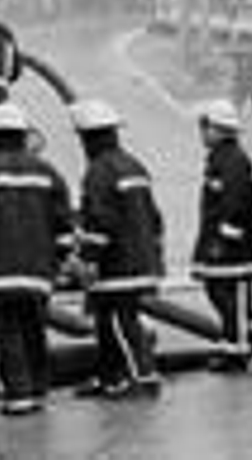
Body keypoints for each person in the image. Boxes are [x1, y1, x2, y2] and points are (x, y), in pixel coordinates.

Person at [0, 101, 75, 415]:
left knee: (5, 332)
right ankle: (38, 390)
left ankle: (18, 396)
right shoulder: (47, 172)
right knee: (34, 329)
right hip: (38, 273)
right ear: (22, 133)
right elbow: (64, 226)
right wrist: (58, 262)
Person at [70, 97, 165, 399]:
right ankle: (111, 378)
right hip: (140, 259)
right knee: (107, 323)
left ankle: (143, 378)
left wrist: (87, 259)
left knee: (119, 322)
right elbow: (154, 217)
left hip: (116, 265)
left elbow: (100, 221)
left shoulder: (99, 171)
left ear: (87, 137)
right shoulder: (134, 165)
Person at [190, 97, 252, 372]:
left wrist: (225, 238)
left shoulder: (233, 160)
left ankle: (237, 352)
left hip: (234, 246)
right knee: (218, 289)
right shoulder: (221, 158)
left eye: (205, 127)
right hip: (223, 241)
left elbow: (235, 202)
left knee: (231, 294)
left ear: (218, 129)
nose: (202, 133)